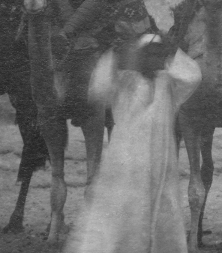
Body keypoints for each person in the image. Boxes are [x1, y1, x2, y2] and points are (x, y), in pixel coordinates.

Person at [66, 33, 201, 253]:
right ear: (139, 56)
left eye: (159, 55)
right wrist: (113, 56)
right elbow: (98, 90)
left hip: (159, 165)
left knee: (160, 213)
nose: (154, 59)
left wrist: (174, 52)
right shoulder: (125, 81)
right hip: (125, 165)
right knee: (122, 212)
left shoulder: (168, 84)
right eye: (149, 54)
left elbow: (193, 77)